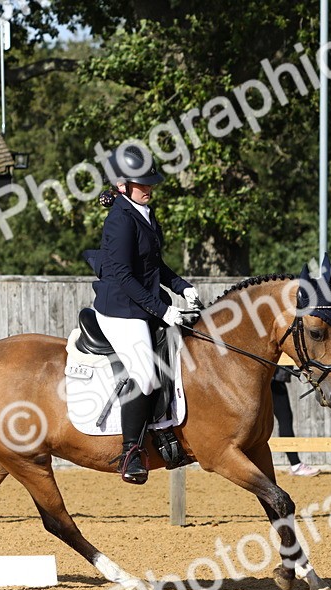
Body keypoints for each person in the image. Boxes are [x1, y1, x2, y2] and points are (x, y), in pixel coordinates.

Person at [90, 144, 202, 484]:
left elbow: (154, 266)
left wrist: (181, 286)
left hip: (144, 305)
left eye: (150, 181)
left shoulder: (144, 213)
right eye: (142, 183)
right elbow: (124, 276)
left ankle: (168, 432)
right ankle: (130, 453)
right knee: (146, 375)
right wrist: (164, 309)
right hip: (121, 311)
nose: (148, 187)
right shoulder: (120, 220)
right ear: (122, 185)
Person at [271, 367, 321, 476]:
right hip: (272, 381)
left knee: (283, 419)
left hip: (270, 379)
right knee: (284, 419)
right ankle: (295, 465)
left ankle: (295, 465)